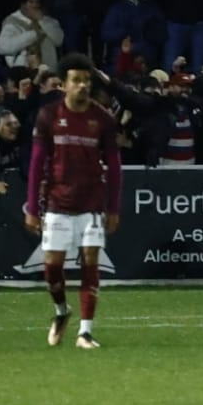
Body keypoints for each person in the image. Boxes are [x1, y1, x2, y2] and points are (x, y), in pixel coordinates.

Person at [24, 53, 123, 350]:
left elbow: (115, 166)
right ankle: (61, 311)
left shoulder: (103, 119)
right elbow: (37, 162)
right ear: (63, 85)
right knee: (52, 267)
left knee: (91, 260)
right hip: (57, 203)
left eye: (86, 81)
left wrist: (114, 208)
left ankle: (86, 332)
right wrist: (31, 206)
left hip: (91, 202)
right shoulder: (48, 116)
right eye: (76, 80)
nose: (82, 86)